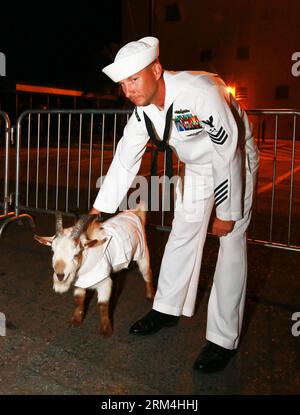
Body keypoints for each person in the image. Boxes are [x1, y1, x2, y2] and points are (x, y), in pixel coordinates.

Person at [89, 36, 260, 373]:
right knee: (182, 233)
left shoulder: (201, 92)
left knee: (231, 244)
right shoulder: (143, 113)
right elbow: (125, 159)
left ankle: (222, 339)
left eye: (134, 79)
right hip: (198, 168)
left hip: (235, 162)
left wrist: (226, 213)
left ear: (156, 69)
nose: (128, 90)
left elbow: (228, 151)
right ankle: (166, 308)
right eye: (123, 83)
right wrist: (98, 211)